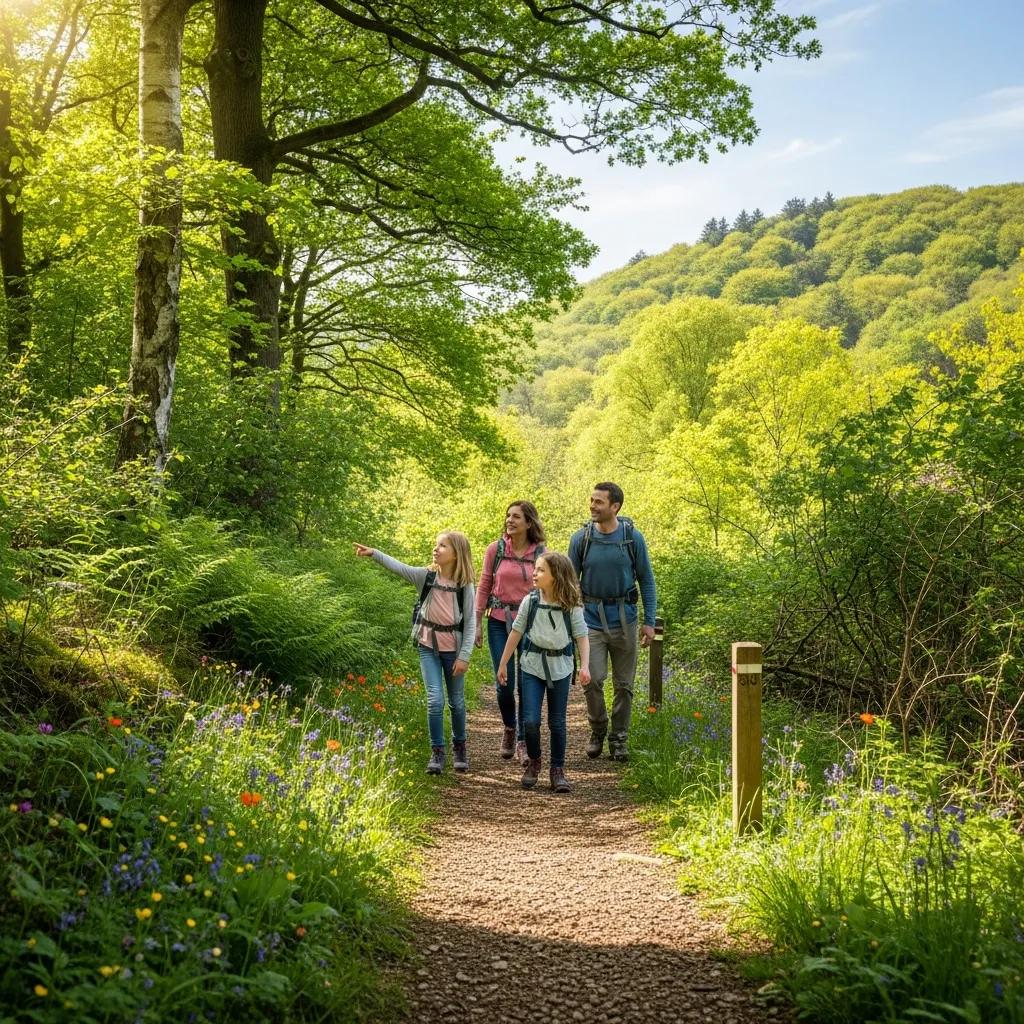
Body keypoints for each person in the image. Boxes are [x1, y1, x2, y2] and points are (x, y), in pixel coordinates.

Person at [354, 533, 476, 775]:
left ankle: (459, 746)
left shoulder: (465, 586)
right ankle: (437, 752)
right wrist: (374, 553)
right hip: (427, 645)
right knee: (435, 700)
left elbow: (471, 622)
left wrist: (465, 656)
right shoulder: (426, 576)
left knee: (457, 702)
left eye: (443, 546)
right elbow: (400, 568)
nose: (436, 548)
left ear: (456, 554)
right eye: (436, 544)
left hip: (454, 650)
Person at [568, 482, 656, 762]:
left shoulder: (633, 538)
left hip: (625, 619)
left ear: (615, 506)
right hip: (590, 620)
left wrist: (649, 621)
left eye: (599, 502)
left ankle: (619, 738)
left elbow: (647, 581)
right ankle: (598, 728)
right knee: (591, 679)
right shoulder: (581, 539)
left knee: (624, 685)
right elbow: (568, 584)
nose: (592, 506)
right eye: (591, 500)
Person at [496, 552, 591, 793]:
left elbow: (581, 637)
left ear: (555, 575)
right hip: (531, 665)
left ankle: (557, 770)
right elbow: (516, 632)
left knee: (557, 722)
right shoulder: (531, 601)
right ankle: (535, 760)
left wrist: (585, 666)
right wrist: (504, 663)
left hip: (560, 667)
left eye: (540, 570)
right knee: (530, 721)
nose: (534, 574)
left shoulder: (572, 606)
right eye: (535, 569)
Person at [475, 501, 547, 764]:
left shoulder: (541, 553)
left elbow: (549, 588)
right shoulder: (495, 549)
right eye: (508, 516)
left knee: (525, 682)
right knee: (503, 682)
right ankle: (509, 727)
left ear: (529, 522)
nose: (510, 520)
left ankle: (522, 741)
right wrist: (477, 624)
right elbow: (483, 585)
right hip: (497, 620)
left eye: (516, 517)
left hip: (530, 622)